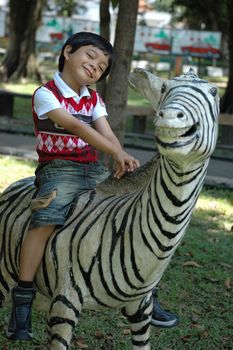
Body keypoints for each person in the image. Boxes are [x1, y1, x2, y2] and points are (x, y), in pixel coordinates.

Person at [7, 32, 178, 341]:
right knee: (46, 219)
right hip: (59, 170)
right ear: (68, 52)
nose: (95, 66)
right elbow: (77, 127)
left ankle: (145, 295)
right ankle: (23, 297)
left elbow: (105, 131)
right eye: (90, 56)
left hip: (93, 169)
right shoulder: (45, 94)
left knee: (131, 212)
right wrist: (115, 152)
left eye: (101, 66)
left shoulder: (93, 98)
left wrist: (120, 155)